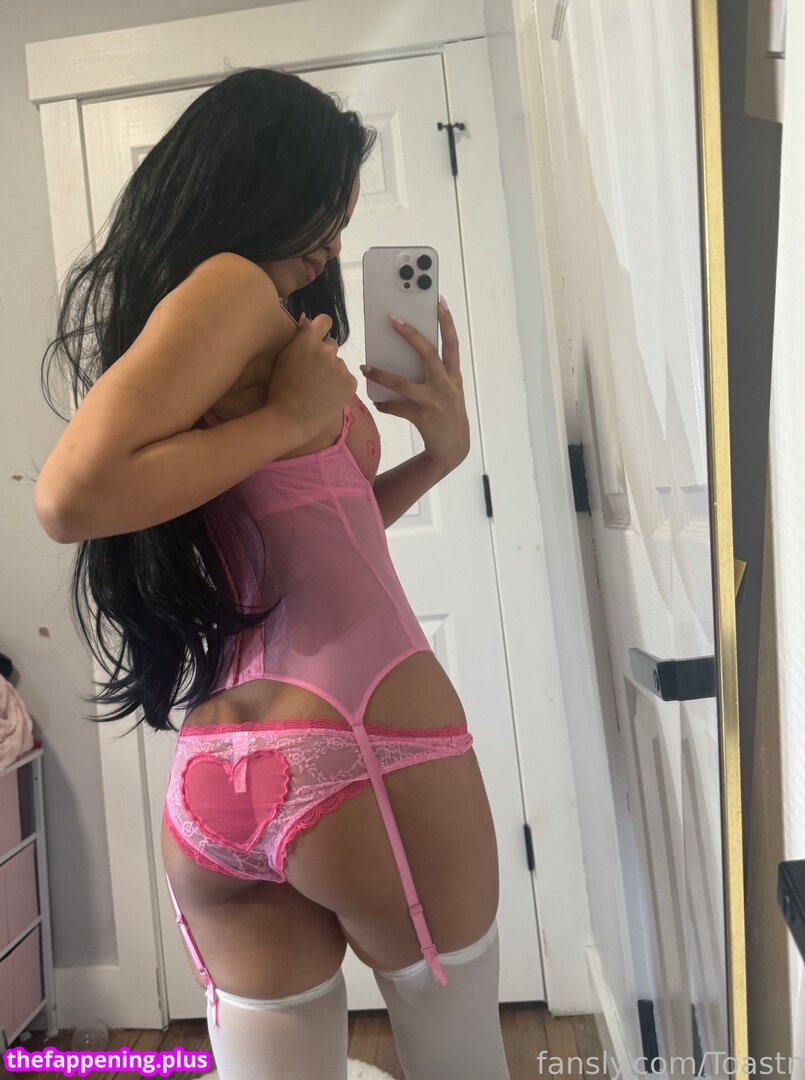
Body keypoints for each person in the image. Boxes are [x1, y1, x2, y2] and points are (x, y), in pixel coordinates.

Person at [34, 67, 509, 1079]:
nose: (332, 244)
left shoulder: (210, 324)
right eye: (320, 212)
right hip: (366, 744)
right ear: (253, 183)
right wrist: (292, 419)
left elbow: (317, 535)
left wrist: (438, 457)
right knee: (460, 1060)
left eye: (341, 221)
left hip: (220, 782)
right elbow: (68, 498)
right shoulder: (233, 287)